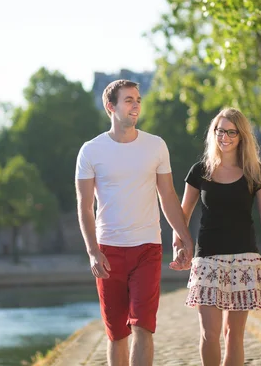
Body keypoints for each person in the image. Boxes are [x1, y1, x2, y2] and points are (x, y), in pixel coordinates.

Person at [74, 79, 193, 366]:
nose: (136, 105)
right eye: (128, 100)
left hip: (147, 249)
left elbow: (168, 195)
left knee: (143, 327)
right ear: (110, 106)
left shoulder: (155, 146)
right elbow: (84, 207)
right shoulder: (90, 151)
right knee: (117, 335)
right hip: (108, 251)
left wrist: (186, 238)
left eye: (138, 99)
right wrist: (92, 251)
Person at [171, 107, 261, 366]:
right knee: (209, 334)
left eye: (231, 132)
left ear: (241, 136)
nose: (224, 137)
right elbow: (181, 216)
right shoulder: (199, 171)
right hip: (207, 261)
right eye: (219, 131)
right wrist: (178, 246)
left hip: (244, 261)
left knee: (233, 335)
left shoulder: (255, 173)